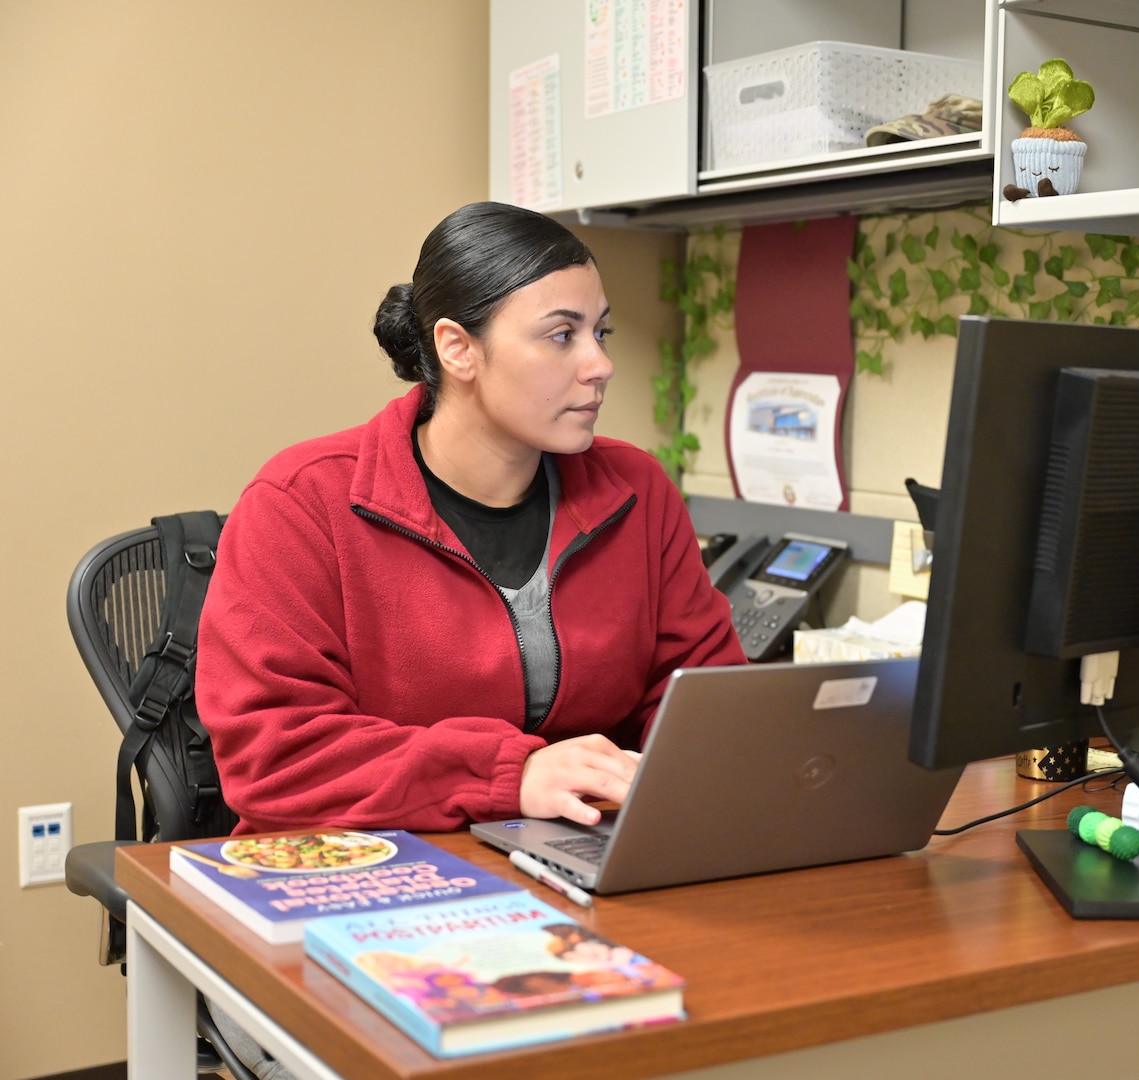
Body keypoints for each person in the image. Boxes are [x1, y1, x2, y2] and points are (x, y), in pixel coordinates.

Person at [196, 201, 746, 838]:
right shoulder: (301, 503)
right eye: (562, 335)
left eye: (602, 333)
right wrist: (510, 776)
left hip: (577, 858)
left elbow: (702, 706)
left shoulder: (638, 491)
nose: (599, 365)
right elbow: (276, 758)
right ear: (458, 349)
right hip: (360, 871)